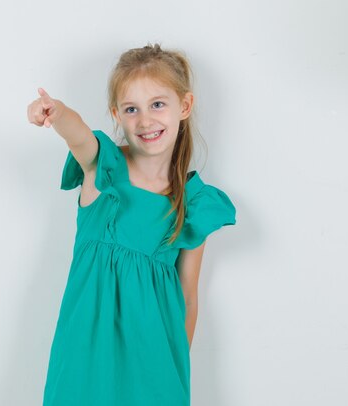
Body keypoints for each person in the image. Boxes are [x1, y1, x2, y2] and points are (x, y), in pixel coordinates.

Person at [27, 43, 237, 406]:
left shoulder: (193, 204)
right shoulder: (102, 169)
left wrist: (173, 371)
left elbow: (188, 298)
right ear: (116, 115)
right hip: (83, 362)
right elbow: (78, 134)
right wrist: (57, 113)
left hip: (154, 370)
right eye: (131, 109)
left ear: (184, 106)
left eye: (158, 104)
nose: (145, 120)